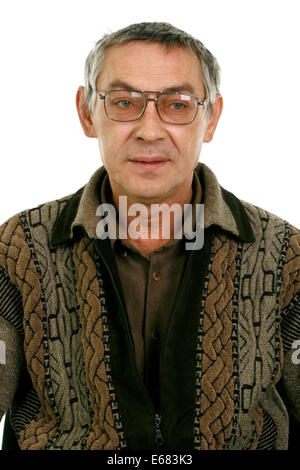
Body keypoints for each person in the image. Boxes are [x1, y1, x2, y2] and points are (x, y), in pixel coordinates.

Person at [0, 21, 300, 452]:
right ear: (87, 112)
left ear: (211, 118)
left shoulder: (284, 253)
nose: (150, 131)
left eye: (177, 105)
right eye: (124, 102)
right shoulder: (17, 249)